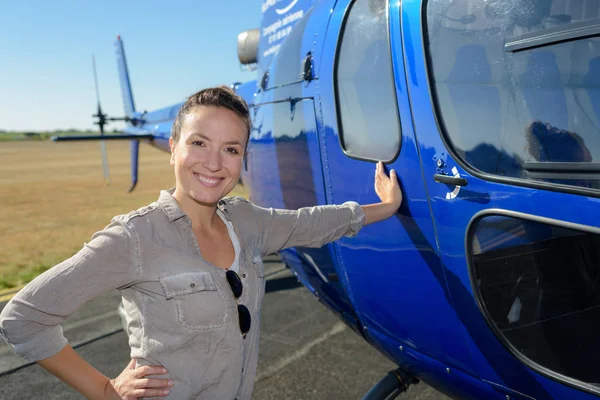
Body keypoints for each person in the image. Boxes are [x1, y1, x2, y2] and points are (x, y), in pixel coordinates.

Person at [0, 86, 402, 400]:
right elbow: (23, 318)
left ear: (242, 159)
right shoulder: (135, 237)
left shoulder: (245, 221)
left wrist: (385, 207)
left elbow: (308, 224)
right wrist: (105, 390)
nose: (214, 163)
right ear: (173, 147)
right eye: (199, 142)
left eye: (230, 149)